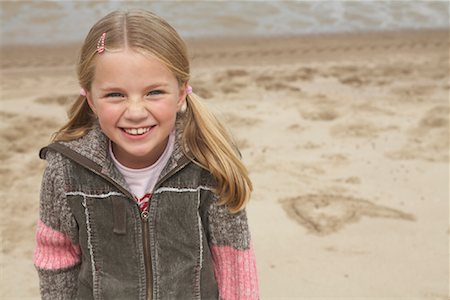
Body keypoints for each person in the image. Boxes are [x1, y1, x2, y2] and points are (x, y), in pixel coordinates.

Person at [33, 9, 259, 300]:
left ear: (180, 93)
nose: (136, 112)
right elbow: (56, 256)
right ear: (90, 99)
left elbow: (233, 258)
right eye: (115, 94)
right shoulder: (66, 169)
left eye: (154, 92)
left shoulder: (208, 160)